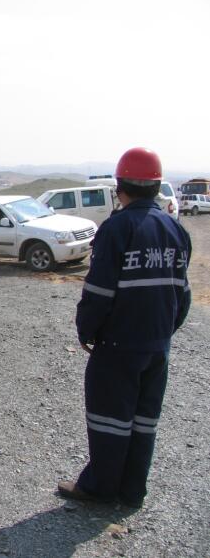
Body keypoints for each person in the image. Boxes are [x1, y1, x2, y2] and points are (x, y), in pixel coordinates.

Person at [58, 147, 192, 508]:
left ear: (121, 187)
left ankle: (101, 488)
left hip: (119, 346)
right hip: (157, 346)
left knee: (109, 418)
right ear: (156, 186)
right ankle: (132, 491)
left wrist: (86, 331)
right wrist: (163, 333)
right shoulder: (175, 230)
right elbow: (183, 295)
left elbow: (99, 293)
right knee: (144, 420)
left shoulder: (118, 228)